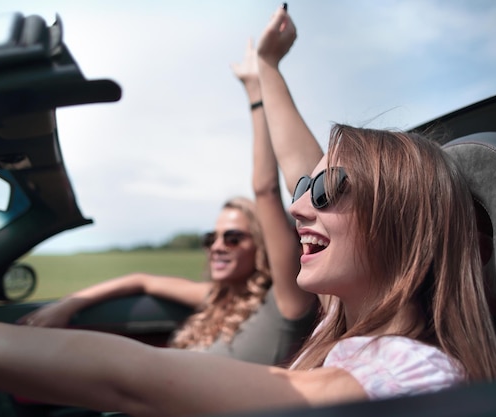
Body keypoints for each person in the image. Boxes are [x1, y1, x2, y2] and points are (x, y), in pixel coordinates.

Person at [0, 5, 496, 416]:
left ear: (404, 226)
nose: (299, 210)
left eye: (328, 192)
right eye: (303, 193)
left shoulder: (412, 371)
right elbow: (293, 176)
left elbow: (126, 378)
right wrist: (265, 71)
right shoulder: (345, 321)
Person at [16, 22, 319, 366]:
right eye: (212, 237)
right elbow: (141, 280)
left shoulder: (286, 302)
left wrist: (257, 84)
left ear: (262, 247)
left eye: (234, 238)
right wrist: (67, 305)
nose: (218, 245)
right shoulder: (216, 299)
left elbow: (264, 189)